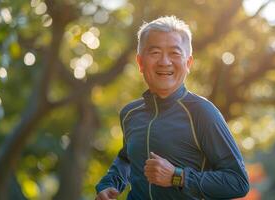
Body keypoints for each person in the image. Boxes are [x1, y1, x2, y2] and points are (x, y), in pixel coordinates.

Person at [95, 16, 249, 200]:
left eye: (175, 53)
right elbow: (127, 157)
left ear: (188, 63)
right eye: (155, 53)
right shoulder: (130, 114)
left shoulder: (203, 113)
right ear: (140, 62)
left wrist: (177, 177)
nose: (164, 62)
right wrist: (110, 183)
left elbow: (238, 182)